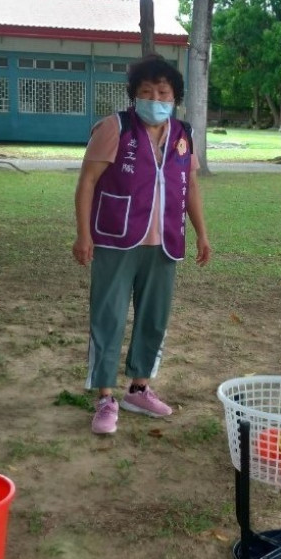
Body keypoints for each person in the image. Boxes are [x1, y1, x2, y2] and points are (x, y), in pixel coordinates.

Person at [73, 54, 211, 435]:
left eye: (163, 92)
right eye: (146, 91)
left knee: (154, 317)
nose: (155, 98)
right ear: (134, 95)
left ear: (174, 97)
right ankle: (105, 397)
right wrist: (83, 234)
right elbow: (86, 182)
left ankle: (139, 388)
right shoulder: (115, 127)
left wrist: (201, 232)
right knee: (109, 316)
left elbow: (191, 187)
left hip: (164, 241)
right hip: (116, 238)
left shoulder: (183, 135)